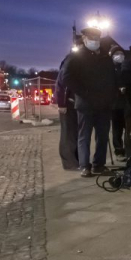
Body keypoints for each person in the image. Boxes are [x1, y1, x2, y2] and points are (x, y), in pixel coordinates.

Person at [62, 27, 117, 178]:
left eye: (97, 39)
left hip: (104, 104)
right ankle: (85, 166)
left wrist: (111, 95)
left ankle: (99, 165)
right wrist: (83, 91)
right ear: (84, 39)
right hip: (86, 103)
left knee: (103, 136)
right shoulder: (75, 57)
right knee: (84, 136)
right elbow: (65, 77)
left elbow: (112, 78)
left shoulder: (105, 57)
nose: (94, 41)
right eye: (91, 39)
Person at [55, 39, 80, 170]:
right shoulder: (71, 61)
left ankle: (76, 159)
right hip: (68, 104)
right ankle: (69, 162)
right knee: (68, 134)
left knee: (75, 133)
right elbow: (62, 85)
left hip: (75, 103)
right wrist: (62, 103)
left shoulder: (77, 60)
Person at [109, 45, 127, 159]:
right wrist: (117, 89)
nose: (119, 56)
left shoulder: (126, 67)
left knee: (128, 128)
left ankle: (129, 149)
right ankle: (118, 150)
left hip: (126, 103)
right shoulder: (109, 69)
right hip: (114, 104)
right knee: (117, 129)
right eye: (116, 54)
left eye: (121, 53)